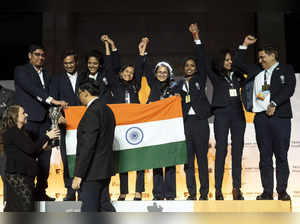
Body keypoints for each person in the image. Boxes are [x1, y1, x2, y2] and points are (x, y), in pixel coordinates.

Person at [234, 35, 296, 201]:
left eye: (263, 57)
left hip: (280, 117)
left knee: (281, 155)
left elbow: (289, 88)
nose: (260, 60)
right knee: (265, 156)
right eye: (259, 57)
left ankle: (282, 191)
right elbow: (238, 64)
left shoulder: (286, 69)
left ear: (273, 55)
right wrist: (245, 44)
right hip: (261, 119)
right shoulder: (256, 70)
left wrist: (274, 103)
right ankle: (267, 191)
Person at [190, 23, 246, 200]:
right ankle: (219, 189)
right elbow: (203, 59)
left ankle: (236, 188)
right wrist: (196, 37)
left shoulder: (237, 75)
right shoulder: (215, 75)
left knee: (237, 151)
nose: (230, 62)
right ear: (221, 61)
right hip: (221, 114)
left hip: (238, 115)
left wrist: (243, 46)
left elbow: (241, 63)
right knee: (221, 149)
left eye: (231, 60)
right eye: (227, 59)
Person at [14, 44, 68, 201]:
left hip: (45, 122)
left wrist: (56, 114)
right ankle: (27, 191)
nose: (40, 57)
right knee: (27, 156)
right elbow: (32, 89)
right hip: (28, 121)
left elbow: (49, 95)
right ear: (30, 55)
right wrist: (53, 100)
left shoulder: (47, 74)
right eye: (37, 54)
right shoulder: (21, 71)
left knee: (46, 157)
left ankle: (41, 191)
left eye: (43, 55)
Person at [100, 35, 145, 201]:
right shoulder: (114, 84)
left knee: (139, 158)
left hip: (136, 125)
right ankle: (124, 191)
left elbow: (140, 68)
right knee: (123, 159)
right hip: (120, 125)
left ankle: (139, 191)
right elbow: (109, 65)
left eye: (132, 73)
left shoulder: (136, 85)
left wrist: (141, 53)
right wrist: (109, 45)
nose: (130, 74)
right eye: (127, 72)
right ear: (121, 73)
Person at [174, 24, 212, 200]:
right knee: (188, 162)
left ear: (196, 68)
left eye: (192, 65)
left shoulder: (200, 78)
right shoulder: (178, 84)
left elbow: (202, 58)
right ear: (183, 68)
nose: (189, 68)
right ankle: (192, 193)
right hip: (185, 125)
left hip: (200, 122)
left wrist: (196, 37)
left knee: (202, 160)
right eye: (186, 66)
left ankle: (204, 193)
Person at [138, 37, 177, 200]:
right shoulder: (153, 84)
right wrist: (143, 52)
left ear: (169, 74)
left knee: (170, 161)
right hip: (154, 128)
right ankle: (158, 193)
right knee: (155, 161)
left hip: (169, 128)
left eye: (164, 72)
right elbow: (145, 68)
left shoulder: (176, 87)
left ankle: (170, 193)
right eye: (159, 72)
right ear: (155, 74)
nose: (162, 74)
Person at [1, 105, 60, 212]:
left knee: (20, 208)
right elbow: (31, 149)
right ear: (15, 117)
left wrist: (43, 148)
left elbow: (30, 152)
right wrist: (47, 136)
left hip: (24, 175)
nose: (26, 115)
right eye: (23, 113)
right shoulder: (12, 132)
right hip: (18, 176)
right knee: (23, 208)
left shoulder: (22, 133)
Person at [71, 80, 116, 212]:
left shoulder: (92, 111)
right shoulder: (107, 109)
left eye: (79, 93)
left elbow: (88, 145)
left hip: (92, 171)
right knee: (104, 206)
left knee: (89, 209)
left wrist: (79, 174)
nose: (78, 97)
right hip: (105, 169)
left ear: (85, 93)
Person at [49, 49, 85, 201]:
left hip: (84, 126)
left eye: (71, 62)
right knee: (67, 158)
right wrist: (58, 118)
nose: (69, 65)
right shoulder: (56, 80)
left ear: (76, 62)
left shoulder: (85, 77)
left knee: (83, 157)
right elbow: (52, 105)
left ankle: (83, 190)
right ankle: (70, 191)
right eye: (65, 63)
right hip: (66, 126)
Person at [0, 85, 15, 204]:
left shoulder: (9, 95)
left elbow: (9, 119)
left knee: (6, 176)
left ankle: (8, 206)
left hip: (2, 143)